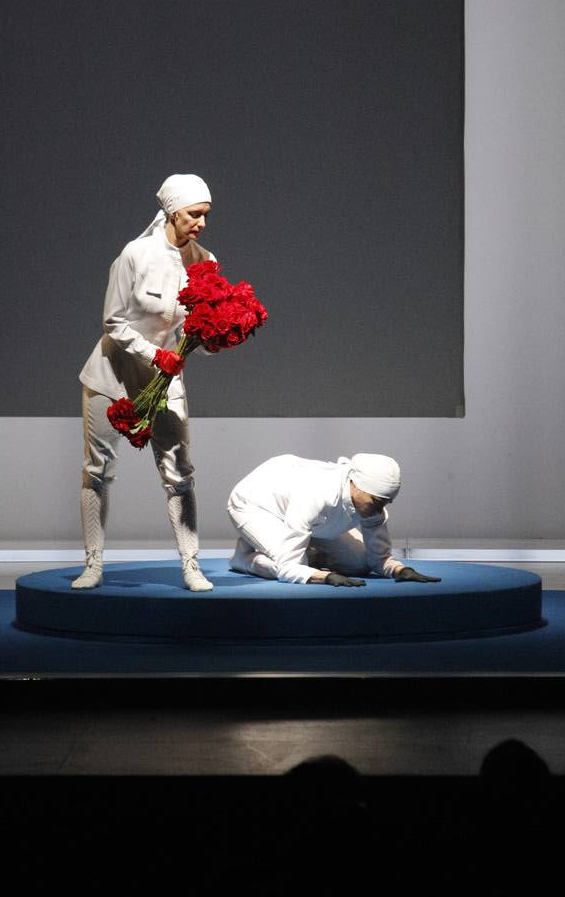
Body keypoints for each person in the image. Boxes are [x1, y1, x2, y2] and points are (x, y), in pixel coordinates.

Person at [72, 173, 216, 592]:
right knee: (96, 470)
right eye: (194, 214)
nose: (201, 223)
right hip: (111, 374)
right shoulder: (135, 254)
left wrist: (212, 339)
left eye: (206, 215)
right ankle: (93, 563)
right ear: (173, 211)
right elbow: (113, 321)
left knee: (179, 473)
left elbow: (195, 331)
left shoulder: (204, 261)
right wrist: (157, 354)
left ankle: (191, 565)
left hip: (165, 380)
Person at [227, 453, 440, 585]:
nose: (379, 509)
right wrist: (325, 577)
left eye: (385, 503)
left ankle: (292, 545)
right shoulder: (316, 496)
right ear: (356, 485)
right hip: (254, 505)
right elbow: (289, 568)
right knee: (285, 567)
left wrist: (400, 570)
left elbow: (377, 559)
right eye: (375, 501)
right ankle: (244, 559)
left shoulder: (373, 505)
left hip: (306, 519)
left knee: (358, 564)